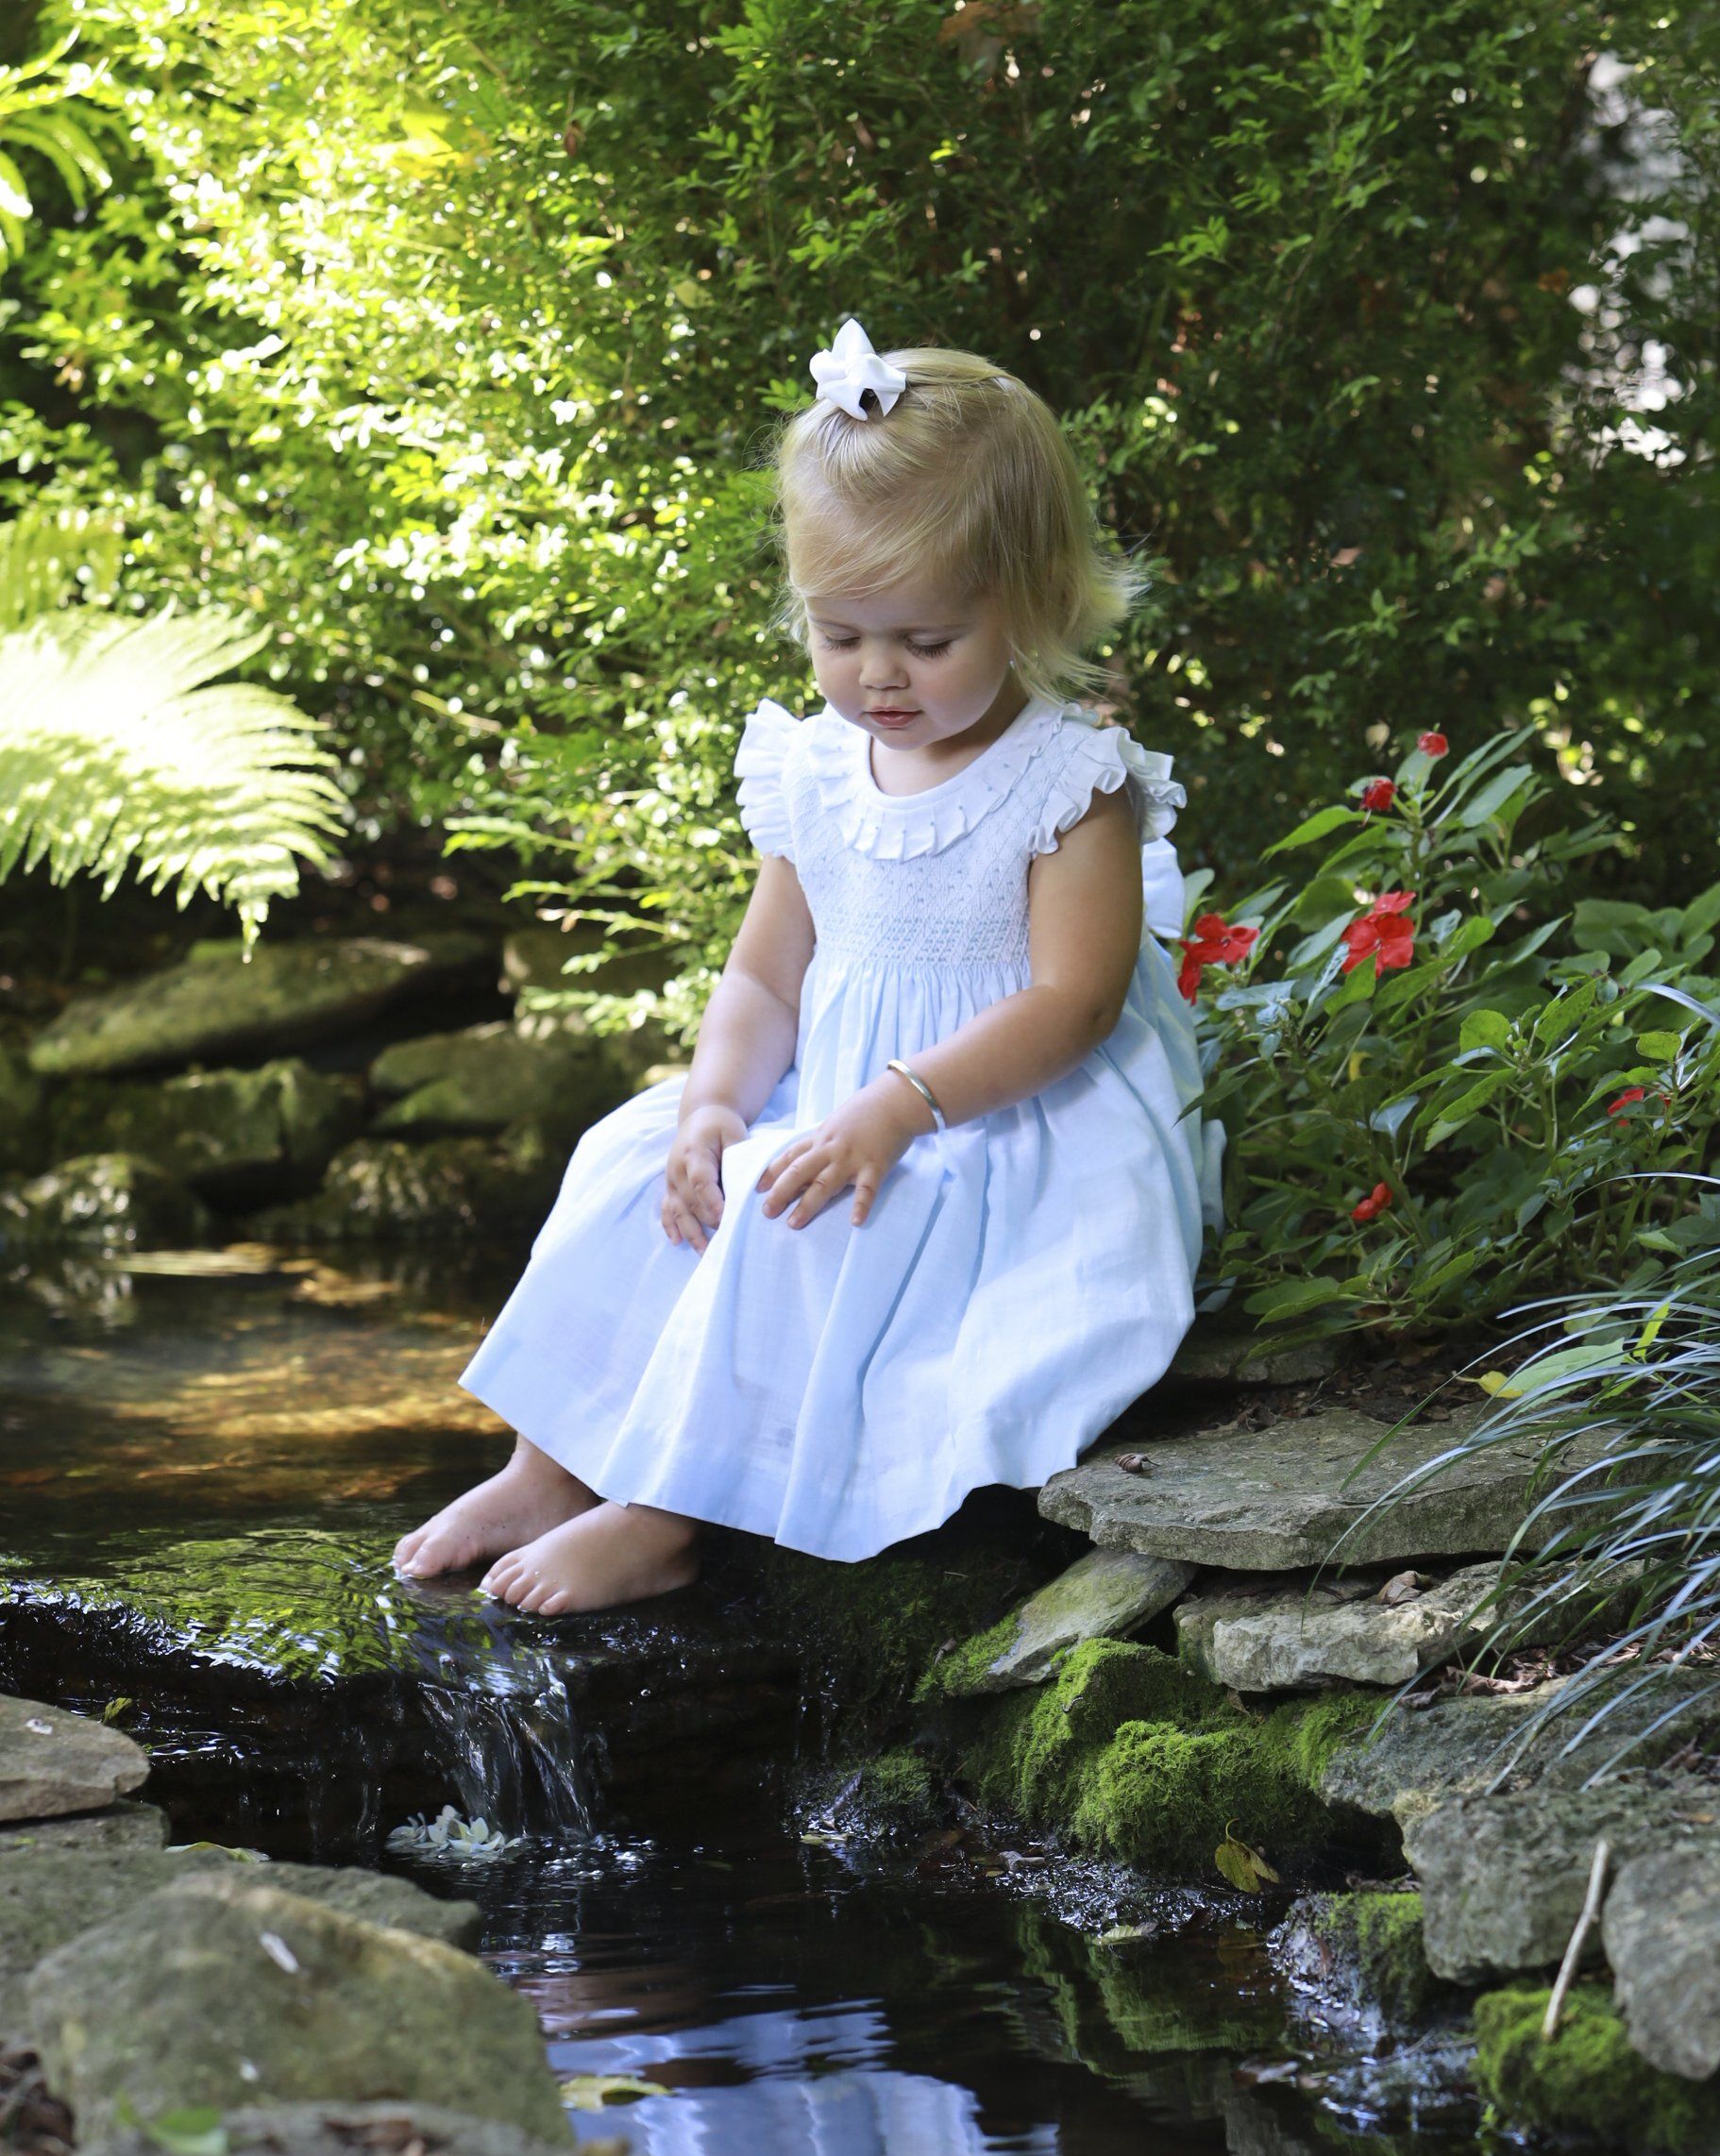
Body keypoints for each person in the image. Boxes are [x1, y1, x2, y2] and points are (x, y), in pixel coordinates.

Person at [393, 317, 1223, 1616]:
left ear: (1029, 602)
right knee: (633, 1162)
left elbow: (1074, 1002)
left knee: (801, 1215)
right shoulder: (816, 768)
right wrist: (715, 1097)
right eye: (840, 636)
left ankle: (664, 1512)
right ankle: (545, 1460)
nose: (876, 675)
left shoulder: (1067, 783)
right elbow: (764, 978)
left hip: (999, 1130)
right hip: (834, 1098)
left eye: (924, 641)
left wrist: (897, 1104)